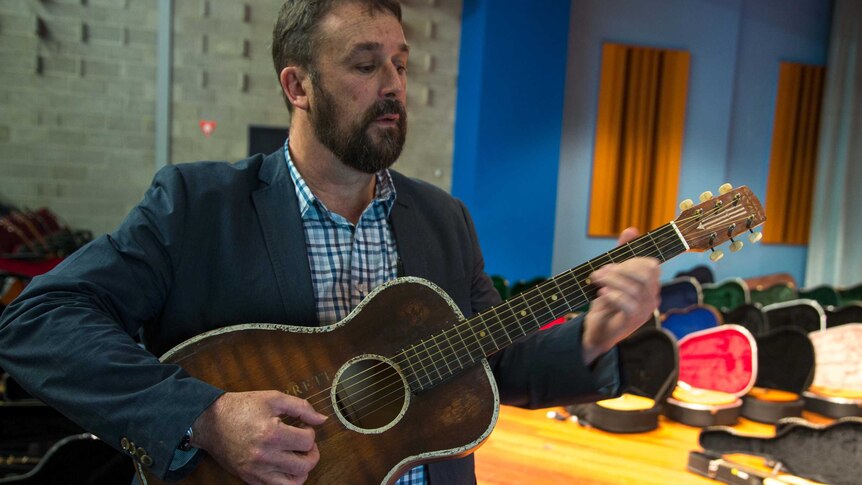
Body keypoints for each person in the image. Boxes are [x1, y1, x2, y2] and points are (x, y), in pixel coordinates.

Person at [0, 0, 661, 484]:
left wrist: (595, 337)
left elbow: (496, 362)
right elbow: (36, 320)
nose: (394, 86)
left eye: (400, 64)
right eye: (366, 65)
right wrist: (206, 415)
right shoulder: (196, 208)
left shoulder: (444, 220)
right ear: (298, 87)